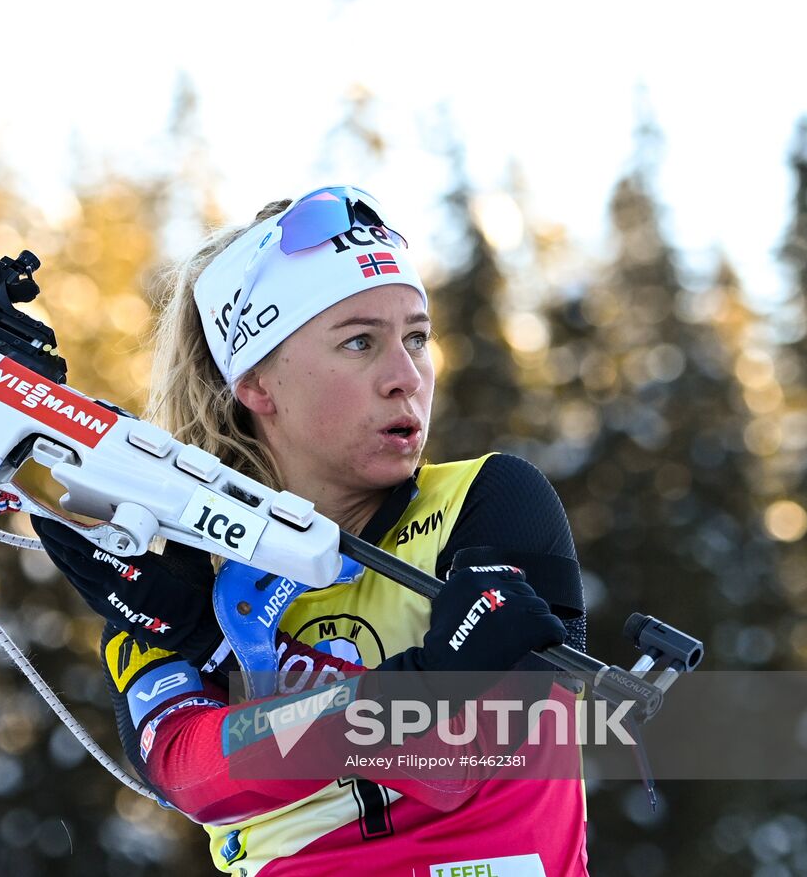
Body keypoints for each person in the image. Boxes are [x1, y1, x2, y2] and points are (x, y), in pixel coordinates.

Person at [33, 186, 590, 875]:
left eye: (417, 337)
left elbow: (474, 751)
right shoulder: (180, 570)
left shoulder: (490, 498)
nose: (406, 376)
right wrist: (212, 643)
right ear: (257, 383)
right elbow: (192, 775)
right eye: (360, 341)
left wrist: (228, 659)